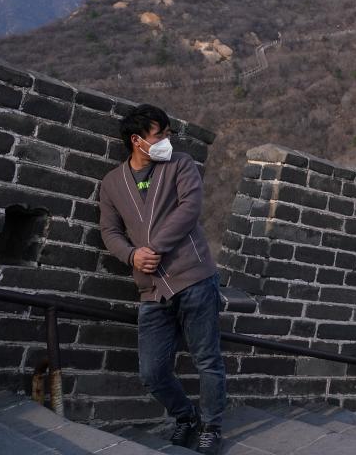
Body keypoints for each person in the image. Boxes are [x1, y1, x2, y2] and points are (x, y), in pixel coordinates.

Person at [99, 104, 225, 454]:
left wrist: (153, 246)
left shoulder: (180, 164)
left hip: (194, 277)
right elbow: (109, 230)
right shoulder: (112, 183)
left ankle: (212, 427)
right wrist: (132, 255)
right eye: (160, 135)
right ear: (138, 141)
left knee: (207, 361)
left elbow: (191, 206)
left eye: (169, 134)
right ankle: (186, 417)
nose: (167, 140)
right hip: (151, 288)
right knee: (152, 372)